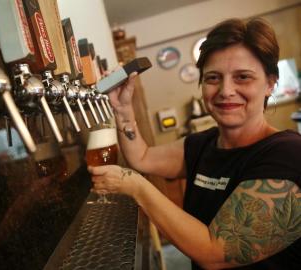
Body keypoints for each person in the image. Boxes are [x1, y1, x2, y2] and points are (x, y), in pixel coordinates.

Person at [89, 18, 301, 269]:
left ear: (270, 83)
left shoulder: (288, 154)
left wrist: (137, 187)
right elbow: (142, 157)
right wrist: (123, 110)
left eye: (243, 77)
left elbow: (216, 252)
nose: (226, 90)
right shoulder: (203, 144)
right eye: (213, 78)